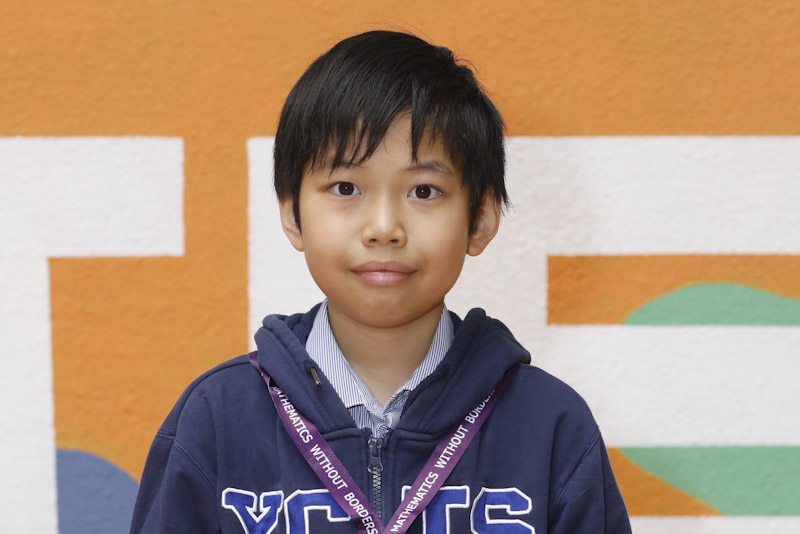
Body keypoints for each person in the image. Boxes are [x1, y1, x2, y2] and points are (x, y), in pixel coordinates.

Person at [130, 30, 631, 534]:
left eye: (424, 190)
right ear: (291, 212)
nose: (384, 228)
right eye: (346, 188)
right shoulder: (218, 418)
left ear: (479, 218)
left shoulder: (550, 426)